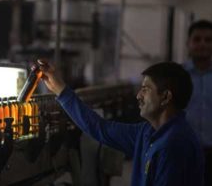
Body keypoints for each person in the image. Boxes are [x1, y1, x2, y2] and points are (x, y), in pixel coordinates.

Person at [38, 59, 204, 186]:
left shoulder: (175, 145)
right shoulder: (147, 133)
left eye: (146, 89)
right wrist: (60, 89)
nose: (139, 96)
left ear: (166, 97)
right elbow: (99, 127)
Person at [183, 19, 212, 186]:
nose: (203, 44)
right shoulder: (177, 77)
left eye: (208, 40)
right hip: (183, 154)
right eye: (197, 39)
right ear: (188, 43)